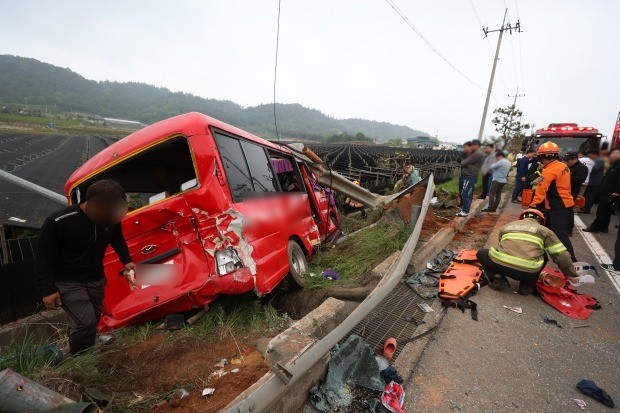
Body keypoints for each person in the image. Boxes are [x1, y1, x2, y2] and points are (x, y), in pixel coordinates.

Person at [34, 180, 135, 356]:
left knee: (92, 319)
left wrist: (127, 260)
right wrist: (47, 290)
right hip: (68, 281)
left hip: (95, 278)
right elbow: (44, 257)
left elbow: (116, 238)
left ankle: (84, 351)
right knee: (85, 322)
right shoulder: (58, 222)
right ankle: (80, 360)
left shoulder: (109, 218)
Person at [477, 209, 580, 295]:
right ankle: (526, 286)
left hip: (498, 266)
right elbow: (561, 256)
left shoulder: (507, 226)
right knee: (543, 255)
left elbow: (501, 246)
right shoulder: (545, 231)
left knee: (482, 253)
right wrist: (572, 275)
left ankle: (498, 279)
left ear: (521, 218)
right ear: (541, 221)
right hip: (526, 273)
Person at [529, 141, 577, 262]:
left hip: (558, 205)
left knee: (559, 233)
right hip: (561, 204)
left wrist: (533, 206)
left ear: (542, 156)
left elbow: (541, 190)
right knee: (546, 231)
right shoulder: (563, 166)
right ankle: (542, 256)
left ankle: (572, 261)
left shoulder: (549, 170)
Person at [583, 148, 620, 233]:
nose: (613, 155)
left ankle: (595, 227)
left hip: (611, 191)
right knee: (606, 210)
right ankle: (604, 227)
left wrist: (617, 191)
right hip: (606, 189)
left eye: (616, 154)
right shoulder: (614, 164)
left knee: (602, 210)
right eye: (613, 153)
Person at [457, 139, 484, 217]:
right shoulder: (477, 153)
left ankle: (465, 211)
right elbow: (463, 162)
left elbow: (463, 163)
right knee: (467, 193)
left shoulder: (477, 154)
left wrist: (465, 162)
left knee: (465, 193)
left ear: (476, 145)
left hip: (470, 176)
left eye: (471, 145)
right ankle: (465, 209)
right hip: (470, 175)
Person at [564, 151, 589, 236]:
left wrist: (566, 176)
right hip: (564, 190)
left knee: (569, 210)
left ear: (575, 159)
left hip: (572, 192)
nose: (566, 162)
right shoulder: (566, 166)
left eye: (568, 161)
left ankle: (568, 230)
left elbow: (580, 179)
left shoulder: (582, 168)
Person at [457, 141, 472, 209]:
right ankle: (462, 203)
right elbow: (458, 159)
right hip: (462, 175)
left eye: (465, 147)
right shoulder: (464, 154)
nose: (464, 148)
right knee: (461, 190)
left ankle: (467, 206)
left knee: (466, 192)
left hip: (469, 176)